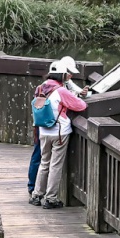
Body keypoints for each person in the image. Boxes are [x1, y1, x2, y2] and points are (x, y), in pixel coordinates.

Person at [31, 58, 88, 209]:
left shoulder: (40, 88)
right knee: (55, 166)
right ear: (63, 75)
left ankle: (37, 195)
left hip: (43, 130)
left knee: (44, 163)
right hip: (59, 132)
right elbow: (81, 105)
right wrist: (76, 95)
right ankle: (51, 198)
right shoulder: (61, 91)